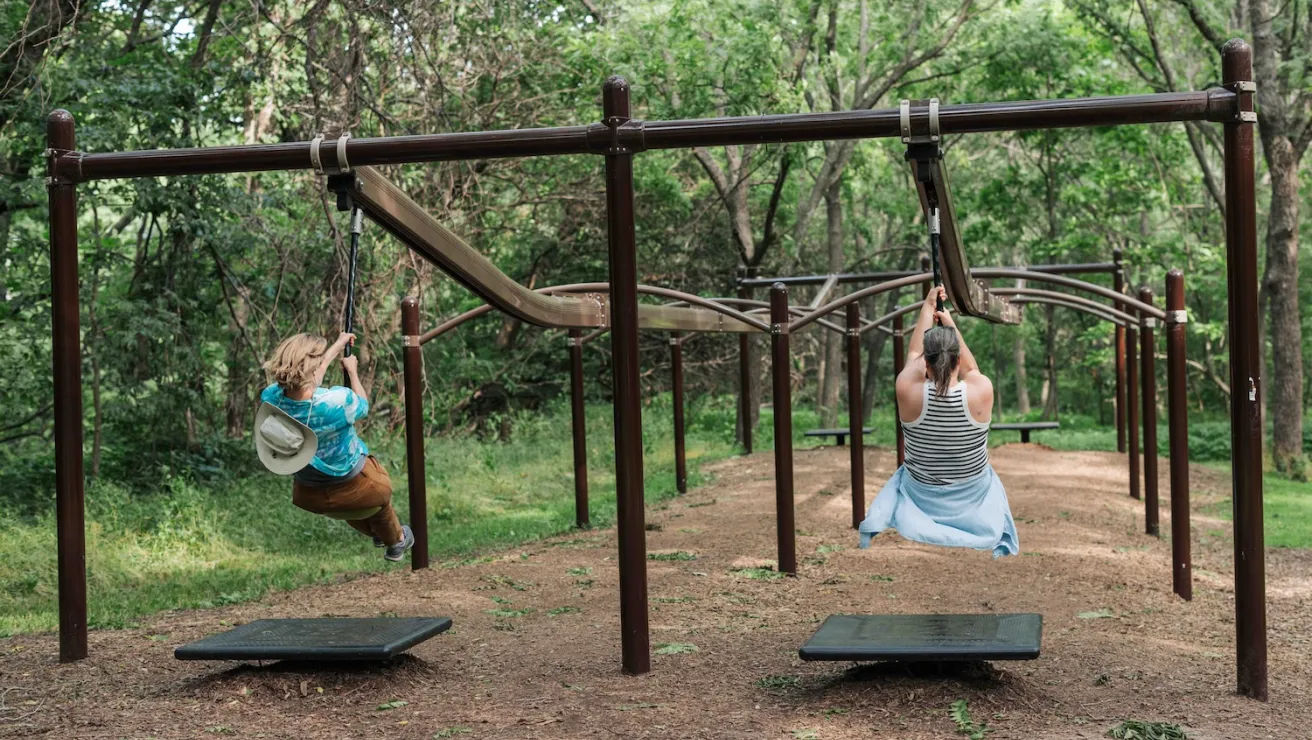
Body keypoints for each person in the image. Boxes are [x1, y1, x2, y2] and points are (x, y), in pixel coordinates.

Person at [857, 286, 1018, 557]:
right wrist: (951, 326)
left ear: (927, 364)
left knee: (904, 474)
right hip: (972, 493)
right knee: (988, 475)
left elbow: (912, 357)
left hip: (921, 494)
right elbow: (972, 369)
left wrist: (927, 307)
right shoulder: (981, 391)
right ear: (956, 358)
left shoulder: (909, 391)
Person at [255, 331, 415, 562]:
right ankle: (397, 540)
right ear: (313, 366)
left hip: (310, 496)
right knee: (379, 497)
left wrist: (338, 346)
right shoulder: (337, 401)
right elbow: (363, 405)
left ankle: (382, 536)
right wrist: (352, 371)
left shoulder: (271, 398)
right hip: (359, 486)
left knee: (353, 506)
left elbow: (307, 382)